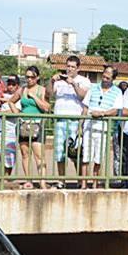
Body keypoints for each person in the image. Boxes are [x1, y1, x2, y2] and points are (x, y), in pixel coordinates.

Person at [49, 55, 91, 186]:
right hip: (60, 119)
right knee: (59, 153)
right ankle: (61, 181)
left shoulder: (83, 80)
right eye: (68, 66)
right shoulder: (59, 80)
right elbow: (49, 94)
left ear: (78, 68)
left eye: (73, 67)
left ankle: (80, 180)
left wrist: (73, 83)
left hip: (75, 121)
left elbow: (84, 96)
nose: (70, 69)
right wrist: (51, 81)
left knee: (76, 153)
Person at [82, 65, 122, 188]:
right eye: (104, 76)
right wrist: (81, 124)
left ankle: (95, 182)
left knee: (98, 157)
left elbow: (116, 110)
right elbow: (85, 106)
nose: (104, 79)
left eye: (108, 78)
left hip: (103, 128)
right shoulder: (93, 88)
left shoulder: (117, 92)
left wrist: (102, 113)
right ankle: (83, 183)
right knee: (85, 156)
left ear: (113, 79)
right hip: (89, 126)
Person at [18, 65, 51, 189]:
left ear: (37, 78)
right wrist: (16, 113)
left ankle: (42, 182)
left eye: (32, 77)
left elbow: (47, 107)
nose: (29, 80)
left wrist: (34, 97)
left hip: (37, 125)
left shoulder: (41, 90)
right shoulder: (22, 90)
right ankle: (28, 180)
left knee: (39, 155)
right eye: (27, 77)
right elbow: (11, 101)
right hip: (23, 125)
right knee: (25, 154)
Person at [0, 75, 22, 179]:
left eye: (13, 84)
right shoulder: (3, 95)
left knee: (8, 157)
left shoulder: (20, 98)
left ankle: (5, 179)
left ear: (17, 86)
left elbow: (15, 111)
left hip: (10, 129)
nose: (10, 86)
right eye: (9, 84)